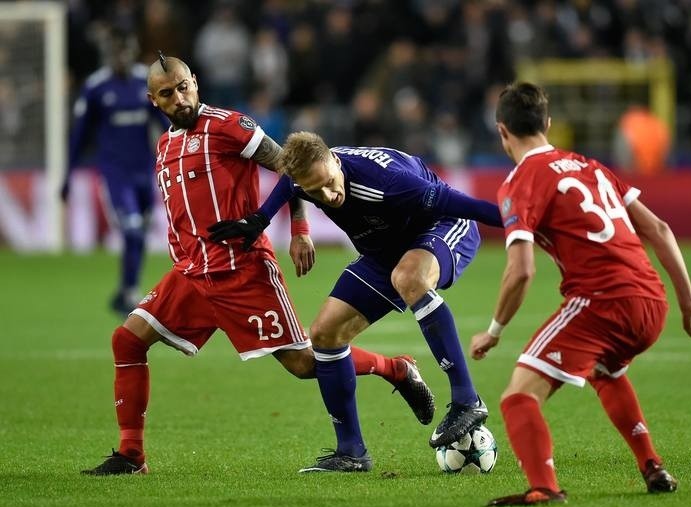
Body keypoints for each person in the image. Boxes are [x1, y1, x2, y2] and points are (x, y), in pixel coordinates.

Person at [81, 54, 434, 476]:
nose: (179, 98)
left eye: (183, 87)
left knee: (305, 364)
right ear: (153, 100)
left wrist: (300, 228)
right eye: (167, 94)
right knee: (128, 340)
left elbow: (293, 167)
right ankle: (131, 455)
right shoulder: (165, 145)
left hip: (240, 271)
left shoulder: (230, 126)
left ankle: (395, 368)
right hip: (191, 273)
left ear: (195, 81)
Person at [469, 81, 691, 506]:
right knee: (607, 370)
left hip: (602, 302)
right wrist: (688, 302)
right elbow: (659, 229)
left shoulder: (520, 181)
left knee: (518, 397)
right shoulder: (590, 165)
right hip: (651, 302)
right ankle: (652, 464)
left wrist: (494, 330)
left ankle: (543, 488)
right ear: (547, 124)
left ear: (502, 132)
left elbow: (521, 271)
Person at [209, 131, 504, 472]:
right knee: (324, 334)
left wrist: (519, 223)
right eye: (314, 191)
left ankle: (468, 400)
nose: (327, 195)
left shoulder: (387, 182)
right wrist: (262, 219)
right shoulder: (308, 177)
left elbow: (462, 205)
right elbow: (290, 184)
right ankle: (351, 452)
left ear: (335, 161)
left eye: (329, 184)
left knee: (410, 277)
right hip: (384, 250)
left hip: (442, 227)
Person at [61, 27, 169, 316]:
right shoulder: (96, 87)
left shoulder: (144, 81)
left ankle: (124, 290)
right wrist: (67, 175)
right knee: (132, 230)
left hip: (145, 170)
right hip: (115, 173)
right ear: (108, 54)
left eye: (126, 50)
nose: (121, 56)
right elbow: (79, 136)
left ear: (132, 51)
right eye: (116, 51)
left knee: (140, 233)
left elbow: (164, 121)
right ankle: (130, 292)